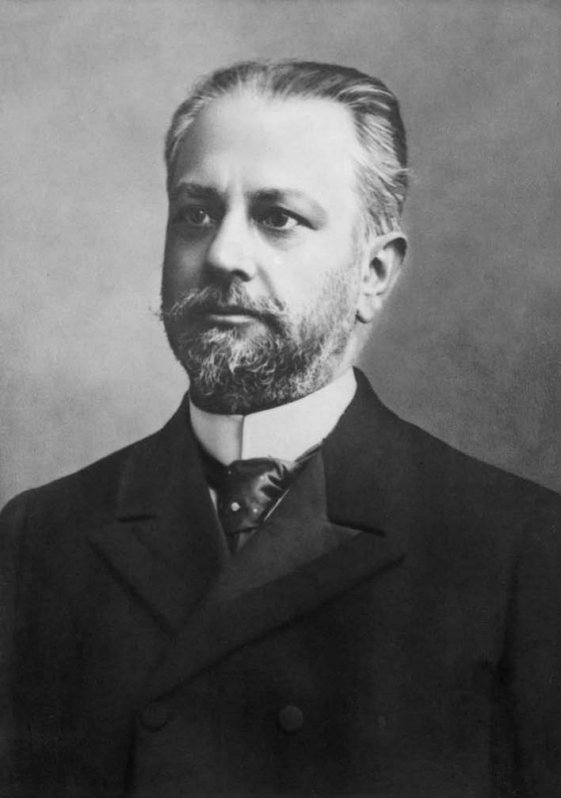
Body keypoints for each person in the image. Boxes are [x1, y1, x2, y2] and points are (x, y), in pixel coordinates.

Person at [1, 59, 561, 798]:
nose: (223, 254)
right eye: (196, 213)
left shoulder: (523, 549)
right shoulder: (38, 537)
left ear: (374, 274)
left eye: (277, 218)